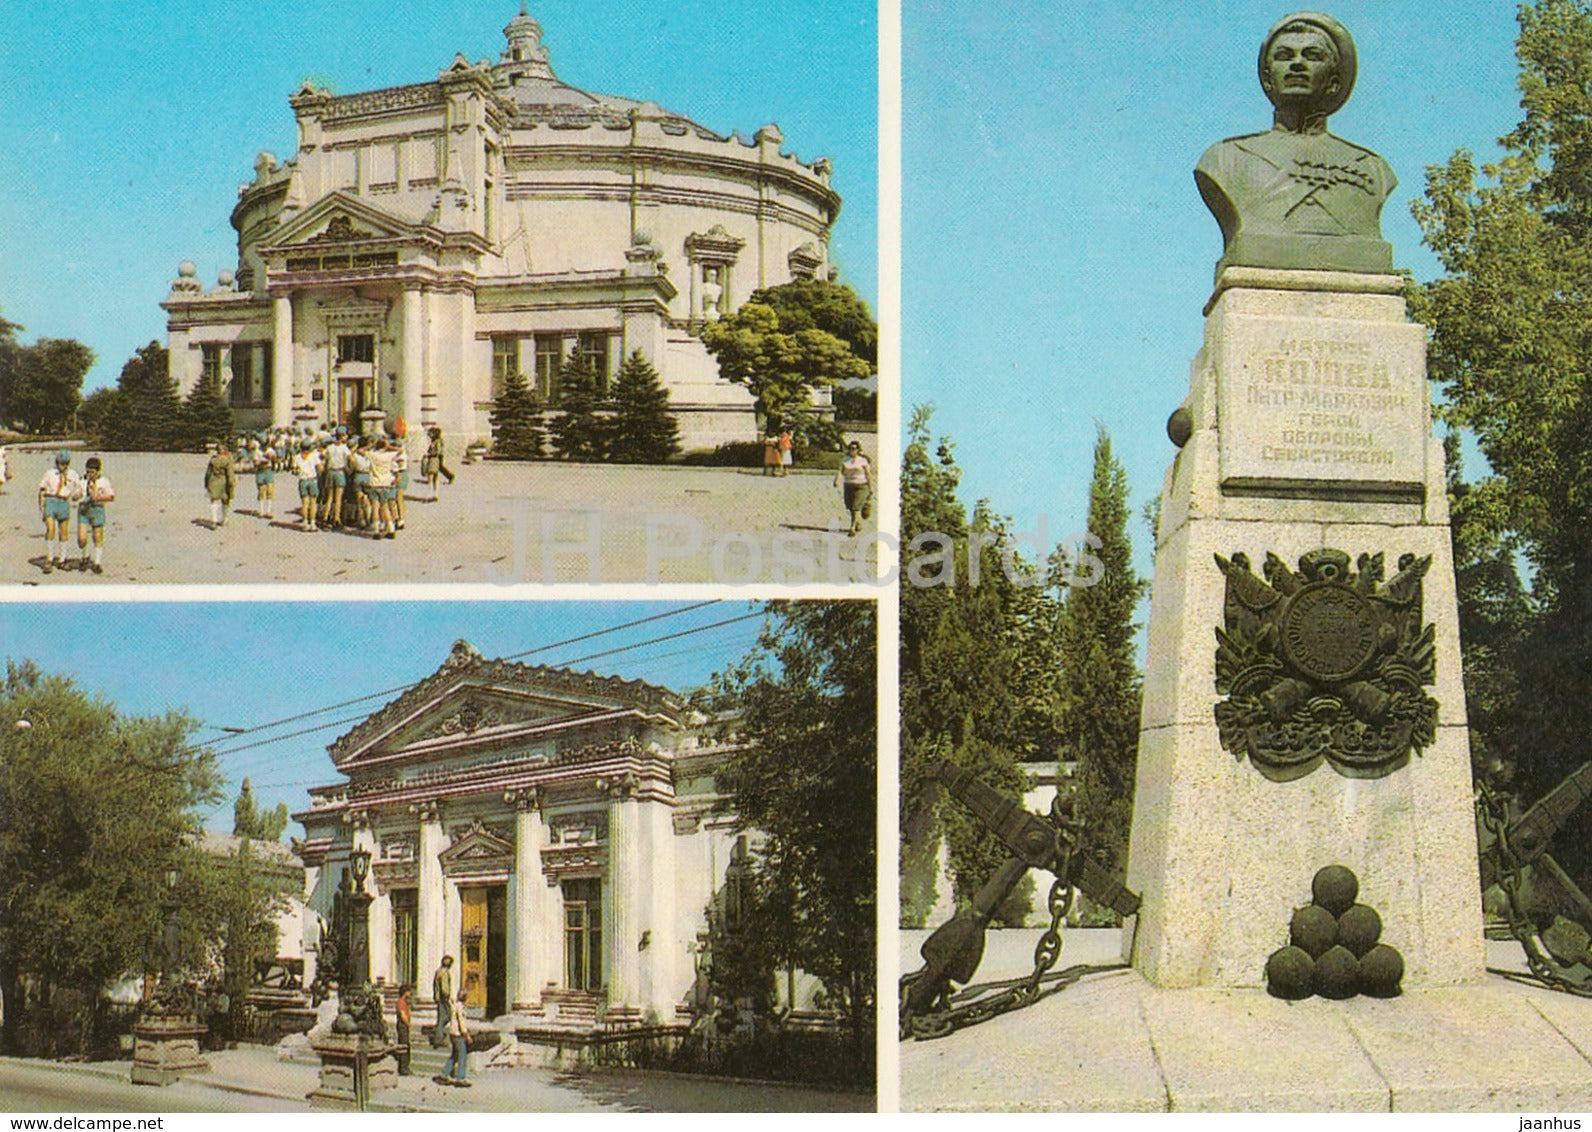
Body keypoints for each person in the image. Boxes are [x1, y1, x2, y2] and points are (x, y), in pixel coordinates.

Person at [1194, 13, 1395, 277]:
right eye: (1284, 56)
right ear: (1268, 79)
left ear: (1334, 82)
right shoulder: (1225, 159)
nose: (1297, 64)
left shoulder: (1372, 168)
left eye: (1312, 56)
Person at [37, 450, 85, 574]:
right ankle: (49, 558)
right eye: (61, 463)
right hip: (51, 500)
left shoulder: (72, 474)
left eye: (65, 463)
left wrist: (78, 495)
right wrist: (41, 507)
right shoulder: (50, 473)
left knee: (64, 531)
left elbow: (80, 488)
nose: (63, 466)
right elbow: (42, 490)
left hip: (64, 502)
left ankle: (62, 559)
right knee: (51, 529)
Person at [75, 456, 115, 574]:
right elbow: (77, 493)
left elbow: (111, 496)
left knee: (97, 536)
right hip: (84, 509)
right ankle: (85, 555)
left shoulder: (104, 481)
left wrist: (99, 497)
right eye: (88, 472)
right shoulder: (83, 481)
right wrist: (77, 495)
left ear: (98, 471)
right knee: (81, 538)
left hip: (97, 508)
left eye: (92, 472)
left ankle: (97, 562)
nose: (90, 474)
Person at [834, 440, 873, 538]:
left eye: (854, 449)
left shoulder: (863, 461)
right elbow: (840, 471)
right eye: (850, 448)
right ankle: (857, 522)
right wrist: (837, 480)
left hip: (861, 485)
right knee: (850, 506)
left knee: (856, 506)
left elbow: (868, 475)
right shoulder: (845, 460)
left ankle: (852, 528)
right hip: (848, 485)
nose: (852, 450)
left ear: (858, 450)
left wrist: (870, 488)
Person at [439, 989, 471, 1087]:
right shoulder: (460, 1007)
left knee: (455, 1055)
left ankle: (444, 1073)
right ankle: (461, 1077)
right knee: (462, 1055)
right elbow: (461, 1022)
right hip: (458, 1034)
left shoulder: (455, 1005)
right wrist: (466, 1034)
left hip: (452, 1033)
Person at [204, 441, 237, 527]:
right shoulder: (228, 460)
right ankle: (224, 519)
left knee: (214, 500)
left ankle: (214, 520)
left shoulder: (213, 459)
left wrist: (206, 483)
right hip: (224, 481)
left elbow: (208, 472)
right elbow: (230, 474)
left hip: (213, 480)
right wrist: (232, 484)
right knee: (225, 500)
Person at [293, 439, 322, 531]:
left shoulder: (297, 457)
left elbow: (295, 471)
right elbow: (320, 467)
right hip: (312, 479)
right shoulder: (313, 456)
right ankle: (312, 523)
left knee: (304, 503)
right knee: (313, 503)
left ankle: (305, 523)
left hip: (303, 480)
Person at [431, 955, 454, 1048]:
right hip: (443, 999)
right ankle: (438, 1037)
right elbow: (444, 988)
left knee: (442, 1017)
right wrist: (448, 997)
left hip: (439, 998)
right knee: (447, 1016)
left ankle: (439, 1033)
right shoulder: (444, 972)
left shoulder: (438, 971)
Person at [253, 435, 277, 519]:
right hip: (261, 471)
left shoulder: (271, 450)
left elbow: (275, 460)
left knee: (270, 491)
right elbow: (255, 463)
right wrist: (261, 462)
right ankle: (261, 510)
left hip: (269, 470)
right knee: (261, 491)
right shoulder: (257, 452)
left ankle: (268, 511)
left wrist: (272, 457)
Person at [394, 984, 413, 1076]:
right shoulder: (401, 1002)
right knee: (404, 1046)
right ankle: (403, 1067)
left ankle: (405, 1066)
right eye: (408, 991)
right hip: (402, 1026)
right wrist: (408, 1023)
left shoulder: (405, 1002)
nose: (410, 993)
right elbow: (402, 1015)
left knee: (406, 1045)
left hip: (404, 1026)